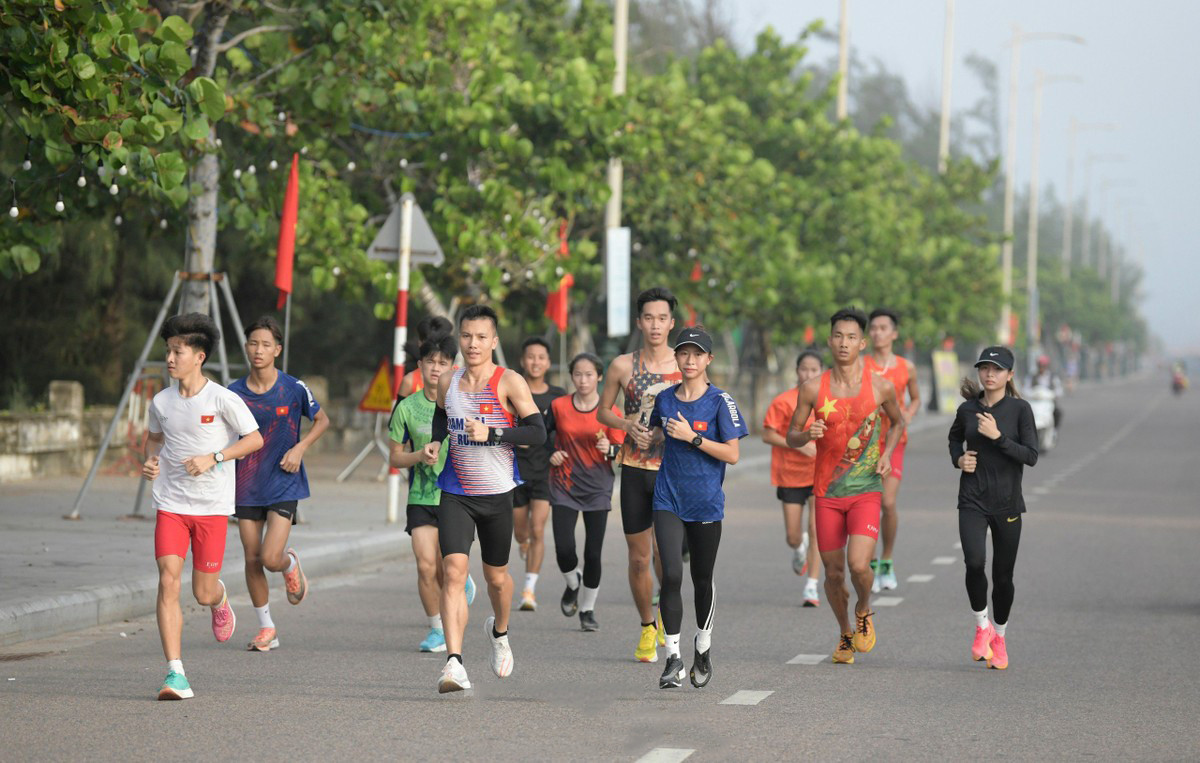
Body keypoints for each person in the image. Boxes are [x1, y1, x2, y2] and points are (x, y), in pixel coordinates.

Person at [142, 313, 263, 700]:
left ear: (199, 356)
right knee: (167, 580)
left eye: (177, 352)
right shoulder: (161, 402)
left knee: (202, 593)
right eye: (168, 351)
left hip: (211, 507)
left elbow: (254, 440)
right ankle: (175, 673)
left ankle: (219, 598)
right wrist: (149, 461)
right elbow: (154, 439)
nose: (170, 359)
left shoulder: (223, 399)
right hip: (171, 504)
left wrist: (215, 457)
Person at [428, 305, 546, 693]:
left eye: (481, 337)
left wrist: (494, 435)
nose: (473, 344)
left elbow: (537, 433)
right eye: (466, 336)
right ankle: (454, 665)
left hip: (497, 494)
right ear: (459, 338)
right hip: (456, 492)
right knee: (453, 573)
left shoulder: (509, 381)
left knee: (497, 580)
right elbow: (442, 416)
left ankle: (499, 633)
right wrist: (434, 441)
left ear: (494, 341)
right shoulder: (448, 379)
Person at [786, 308, 904, 665]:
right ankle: (844, 634)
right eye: (838, 336)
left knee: (857, 566)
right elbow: (792, 435)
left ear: (862, 343)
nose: (843, 343)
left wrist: (888, 454)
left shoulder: (880, 386)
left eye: (851, 337)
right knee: (834, 575)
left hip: (866, 488)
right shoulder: (812, 388)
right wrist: (807, 434)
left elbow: (897, 423)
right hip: (826, 493)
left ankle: (864, 609)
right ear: (829, 340)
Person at [647, 327, 747, 689]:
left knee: (700, 579)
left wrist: (694, 437)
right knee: (671, 574)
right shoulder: (664, 399)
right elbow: (658, 434)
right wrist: (649, 436)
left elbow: (733, 455)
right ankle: (672, 657)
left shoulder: (722, 402)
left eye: (697, 354)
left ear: (709, 360)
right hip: (667, 497)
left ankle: (701, 645)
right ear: (676, 357)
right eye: (683, 353)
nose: (689, 361)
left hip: (705, 501)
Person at [229, 316, 330, 653]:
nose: (258, 350)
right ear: (246, 347)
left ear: (277, 349)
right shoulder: (232, 392)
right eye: (253, 344)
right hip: (245, 482)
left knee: (270, 557)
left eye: (266, 345)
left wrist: (300, 448)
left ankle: (289, 563)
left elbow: (322, 420)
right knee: (252, 557)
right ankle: (266, 627)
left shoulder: (293, 387)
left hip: (284, 480)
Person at [597, 286, 683, 663]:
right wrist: (626, 423)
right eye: (648, 317)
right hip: (633, 470)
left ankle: (667, 618)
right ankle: (648, 627)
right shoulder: (622, 365)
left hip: (672, 471)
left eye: (662, 318)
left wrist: (670, 430)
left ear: (672, 323)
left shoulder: (686, 366)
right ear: (639, 321)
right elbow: (602, 412)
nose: (655, 325)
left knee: (667, 556)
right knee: (638, 557)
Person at [949, 346, 1038, 671]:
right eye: (985, 368)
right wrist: (959, 458)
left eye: (997, 369)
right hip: (972, 498)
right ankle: (981, 625)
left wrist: (998, 437)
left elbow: (1030, 455)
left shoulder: (1020, 410)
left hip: (1007, 504)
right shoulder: (966, 410)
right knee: (974, 563)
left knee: (1002, 577)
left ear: (1009, 375)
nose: (990, 374)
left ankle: (999, 636)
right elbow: (954, 439)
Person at [388, 333, 477, 653]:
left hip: (457, 495)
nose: (436, 369)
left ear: (453, 366)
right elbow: (394, 457)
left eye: (443, 362)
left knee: (445, 566)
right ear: (420, 366)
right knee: (426, 566)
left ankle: (460, 578)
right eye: (430, 362)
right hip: (421, 497)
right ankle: (437, 629)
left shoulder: (463, 401)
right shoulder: (406, 408)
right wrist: (418, 456)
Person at [548, 353, 626, 631]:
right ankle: (572, 583)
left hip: (597, 488)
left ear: (600, 377)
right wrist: (552, 452)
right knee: (564, 548)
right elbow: (542, 435)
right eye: (578, 374)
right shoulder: (558, 406)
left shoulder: (611, 413)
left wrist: (611, 450)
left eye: (589, 375)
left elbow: (623, 451)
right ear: (571, 376)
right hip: (564, 485)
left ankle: (588, 609)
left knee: (593, 553)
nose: (583, 380)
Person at [864, 308, 921, 592]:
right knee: (868, 503)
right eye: (873, 328)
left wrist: (909, 412)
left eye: (883, 328)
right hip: (863, 443)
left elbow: (917, 398)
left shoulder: (905, 366)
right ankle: (870, 561)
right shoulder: (860, 364)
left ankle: (886, 560)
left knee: (887, 503)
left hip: (894, 439)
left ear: (894, 333)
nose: (877, 332)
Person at [762, 350, 823, 606]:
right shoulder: (785, 401)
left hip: (821, 474)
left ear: (822, 371)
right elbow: (768, 434)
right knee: (793, 536)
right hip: (790, 475)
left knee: (816, 528)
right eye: (804, 369)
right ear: (796, 371)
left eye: (813, 369)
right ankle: (800, 548)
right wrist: (799, 445)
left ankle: (812, 586)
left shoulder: (828, 401)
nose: (808, 374)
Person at [512, 337, 568, 611]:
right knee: (521, 531)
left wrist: (559, 451)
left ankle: (528, 590)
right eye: (530, 357)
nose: (535, 362)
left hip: (545, 469)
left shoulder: (558, 396)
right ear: (523, 361)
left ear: (548, 362)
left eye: (541, 357)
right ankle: (522, 544)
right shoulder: (510, 389)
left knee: (538, 529)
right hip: (514, 470)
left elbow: (565, 431)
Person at [396, 315, 454, 400]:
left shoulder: (459, 378)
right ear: (420, 343)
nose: (435, 346)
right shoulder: (410, 381)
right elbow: (399, 412)